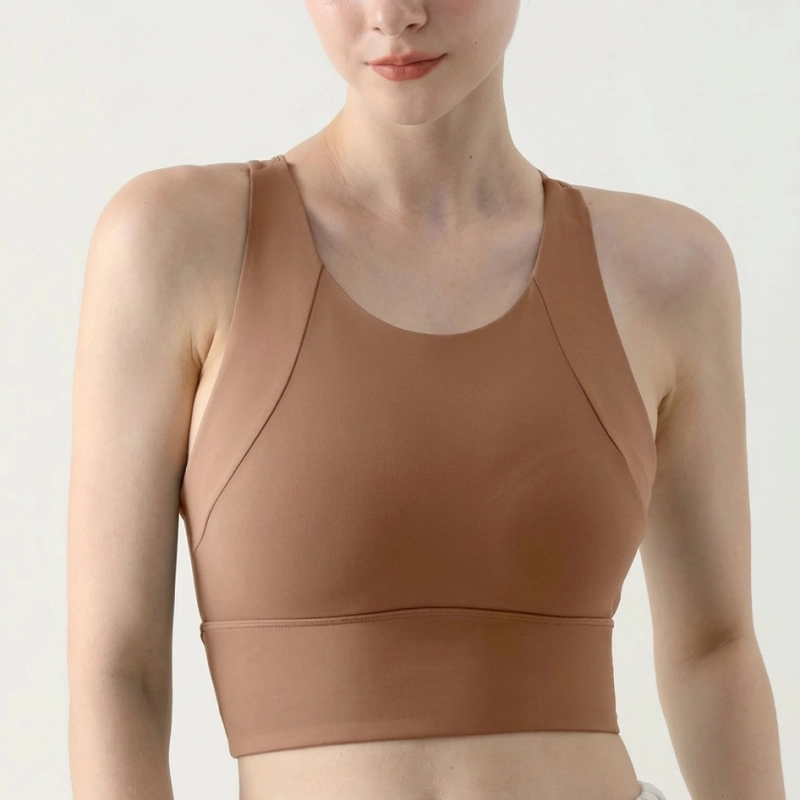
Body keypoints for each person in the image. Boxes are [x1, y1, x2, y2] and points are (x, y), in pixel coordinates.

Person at [67, 2, 786, 800]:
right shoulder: (174, 242)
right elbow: (117, 671)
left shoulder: (668, 270)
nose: (392, 14)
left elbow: (715, 648)